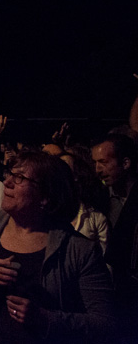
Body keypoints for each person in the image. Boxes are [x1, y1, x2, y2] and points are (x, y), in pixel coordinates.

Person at [0, 151, 116, 343]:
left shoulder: (79, 249)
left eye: (20, 178)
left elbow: (105, 323)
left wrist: (44, 319)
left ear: (45, 196)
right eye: (10, 174)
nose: (7, 182)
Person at [90, 133, 138, 340]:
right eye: (95, 163)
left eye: (103, 162)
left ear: (125, 163)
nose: (98, 169)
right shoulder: (101, 198)